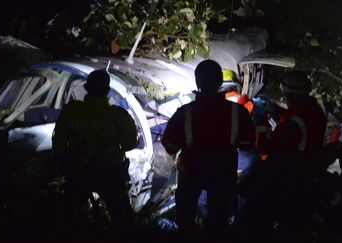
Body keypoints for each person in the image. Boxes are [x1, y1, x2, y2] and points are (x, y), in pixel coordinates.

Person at [161, 59, 255, 241]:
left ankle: (186, 234)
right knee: (218, 218)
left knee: (186, 213)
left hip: (191, 172)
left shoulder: (184, 113)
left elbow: (170, 145)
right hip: (224, 172)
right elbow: (247, 143)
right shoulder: (238, 112)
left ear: (198, 82)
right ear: (220, 82)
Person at [238, 71, 327, 241]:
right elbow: (295, 118)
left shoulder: (295, 122)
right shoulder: (313, 109)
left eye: (285, 94)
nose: (284, 97)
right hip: (306, 168)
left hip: (289, 174)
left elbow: (268, 148)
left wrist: (260, 122)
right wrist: (274, 108)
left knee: (253, 198)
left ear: (292, 94)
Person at [52, 70, 138, 241]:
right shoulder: (118, 116)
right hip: (110, 176)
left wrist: (66, 167)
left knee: (68, 220)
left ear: (86, 88)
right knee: (122, 222)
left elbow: (58, 145)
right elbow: (130, 144)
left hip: (78, 173)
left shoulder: (71, 111)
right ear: (107, 90)